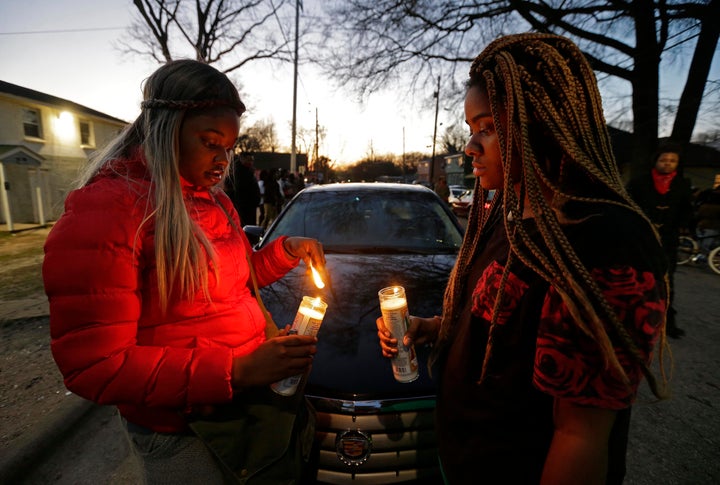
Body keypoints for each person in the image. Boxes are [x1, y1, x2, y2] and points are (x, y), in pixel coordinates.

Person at [376, 33, 670, 485]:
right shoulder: (509, 215)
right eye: (472, 130)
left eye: (488, 127)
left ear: (545, 123)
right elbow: (500, 322)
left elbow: (580, 438)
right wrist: (432, 328)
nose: (471, 147)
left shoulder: (601, 240)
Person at [43, 59, 327, 484]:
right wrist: (238, 370)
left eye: (229, 147)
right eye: (211, 142)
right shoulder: (108, 213)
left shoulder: (213, 202)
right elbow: (95, 364)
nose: (222, 160)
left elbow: (233, 279)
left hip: (242, 409)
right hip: (184, 431)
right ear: (166, 129)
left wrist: (283, 252)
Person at [627, 144, 693, 338]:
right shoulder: (639, 183)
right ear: (655, 161)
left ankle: (667, 323)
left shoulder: (682, 185)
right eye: (664, 160)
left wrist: (683, 224)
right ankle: (635, 319)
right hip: (642, 238)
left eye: (672, 161)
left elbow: (687, 209)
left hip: (668, 240)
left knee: (666, 279)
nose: (668, 164)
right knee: (638, 276)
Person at [224, 152, 261, 225]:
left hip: (249, 205)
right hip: (244, 206)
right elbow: (240, 189)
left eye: (252, 160)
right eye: (249, 160)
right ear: (242, 159)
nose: (251, 162)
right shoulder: (239, 172)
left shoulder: (248, 171)